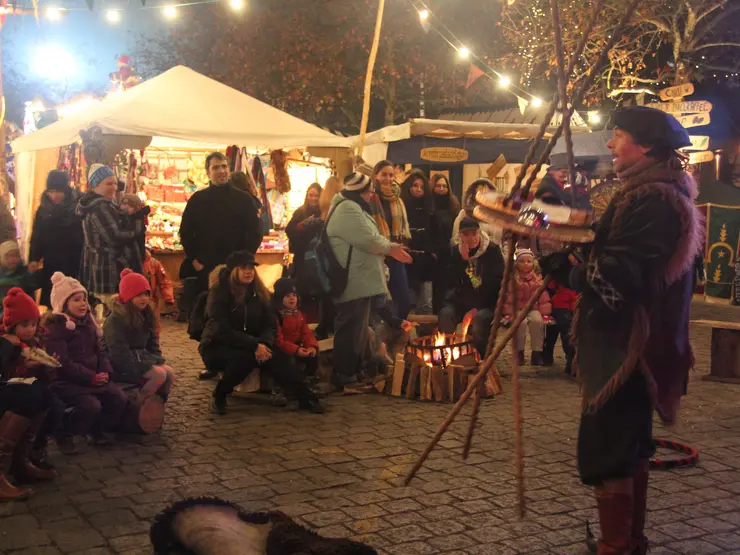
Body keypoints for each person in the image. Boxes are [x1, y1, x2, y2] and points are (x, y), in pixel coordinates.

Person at [543, 106, 701, 554]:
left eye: (618, 135)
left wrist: (563, 267)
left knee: (608, 450)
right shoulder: (651, 192)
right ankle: (628, 542)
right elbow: (609, 251)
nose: (610, 144)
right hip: (634, 347)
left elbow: (617, 279)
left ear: (646, 145)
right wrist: (549, 235)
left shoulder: (653, 200)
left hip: (628, 350)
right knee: (627, 447)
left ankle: (617, 547)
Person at [199, 251, 323, 415]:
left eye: (251, 267)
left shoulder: (259, 292)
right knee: (244, 359)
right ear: (233, 271)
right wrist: (254, 345)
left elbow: (270, 324)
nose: (249, 271)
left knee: (280, 357)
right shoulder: (220, 292)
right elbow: (221, 329)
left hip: (254, 343)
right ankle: (219, 396)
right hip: (219, 345)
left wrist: (264, 343)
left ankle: (305, 397)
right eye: (244, 268)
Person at [326, 172, 412, 390]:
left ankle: (354, 372)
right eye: (368, 191)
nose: (372, 195)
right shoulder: (347, 209)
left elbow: (371, 237)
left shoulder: (353, 207)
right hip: (352, 279)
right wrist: (391, 248)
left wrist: (390, 248)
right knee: (350, 329)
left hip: (359, 279)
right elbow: (368, 239)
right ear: (358, 192)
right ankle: (344, 375)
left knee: (358, 328)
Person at [43, 272, 128, 448]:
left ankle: (96, 428)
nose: (82, 303)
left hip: (92, 377)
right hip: (67, 381)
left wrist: (104, 370)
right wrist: (91, 377)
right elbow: (63, 364)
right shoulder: (57, 328)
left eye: (84, 299)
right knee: (91, 405)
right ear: (63, 303)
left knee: (118, 397)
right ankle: (65, 430)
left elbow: (100, 351)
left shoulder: (88, 324)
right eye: (76, 300)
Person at [179, 153, 262, 302]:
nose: (221, 171)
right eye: (216, 167)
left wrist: (245, 260)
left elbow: (255, 232)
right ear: (208, 172)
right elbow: (185, 232)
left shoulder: (243, 199)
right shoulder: (198, 200)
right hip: (206, 268)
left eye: (224, 166)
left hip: (236, 268)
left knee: (236, 308)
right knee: (207, 310)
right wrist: (194, 260)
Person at [0, 288, 59, 498]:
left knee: (44, 395)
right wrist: (8, 344)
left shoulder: (30, 344)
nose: (30, 329)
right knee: (30, 395)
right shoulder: (5, 340)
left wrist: (40, 365)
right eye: (24, 324)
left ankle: (20, 461)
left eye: (33, 324)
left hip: (11, 387)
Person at [77, 164, 146, 317]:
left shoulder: (102, 205)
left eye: (115, 183)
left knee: (110, 313)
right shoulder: (100, 207)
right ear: (95, 185)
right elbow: (115, 236)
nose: (114, 187)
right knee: (115, 314)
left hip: (105, 267)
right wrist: (136, 224)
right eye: (108, 183)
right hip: (110, 269)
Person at [104, 269, 174, 404]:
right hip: (121, 365)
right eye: (139, 295)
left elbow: (153, 343)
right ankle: (138, 406)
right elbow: (118, 352)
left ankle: (156, 406)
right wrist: (134, 372)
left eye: (146, 294)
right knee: (159, 375)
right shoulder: (116, 319)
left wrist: (157, 359)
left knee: (168, 373)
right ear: (129, 297)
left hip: (141, 359)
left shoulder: (146, 314)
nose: (144, 299)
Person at [439, 217, 505, 357]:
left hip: (486, 303)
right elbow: (450, 281)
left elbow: (496, 284)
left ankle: (479, 358)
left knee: (480, 320)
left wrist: (477, 308)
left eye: (474, 233)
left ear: (479, 232)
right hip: (461, 302)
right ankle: (447, 356)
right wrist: (462, 261)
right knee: (446, 314)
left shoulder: (492, 250)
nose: (471, 238)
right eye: (466, 234)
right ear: (460, 235)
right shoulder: (455, 251)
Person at [28, 170, 84, 308]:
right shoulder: (43, 210)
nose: (54, 195)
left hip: (73, 262)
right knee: (52, 302)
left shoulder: (77, 208)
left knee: (72, 300)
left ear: (65, 190)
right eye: (51, 191)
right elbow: (37, 236)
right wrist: (34, 258)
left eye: (58, 191)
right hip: (51, 263)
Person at [370, 160, 412, 319]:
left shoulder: (398, 199)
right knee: (381, 302)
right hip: (377, 255)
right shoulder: (369, 198)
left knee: (403, 300)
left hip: (396, 255)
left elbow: (403, 228)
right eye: (384, 175)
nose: (388, 178)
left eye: (391, 175)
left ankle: (396, 335)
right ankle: (381, 340)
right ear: (375, 176)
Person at [502, 249, 552, 366]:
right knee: (520, 323)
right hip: (518, 309)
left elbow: (543, 297)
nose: (526, 264)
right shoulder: (513, 279)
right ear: (517, 263)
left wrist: (544, 312)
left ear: (533, 264)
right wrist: (508, 312)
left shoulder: (537, 279)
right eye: (522, 261)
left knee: (537, 322)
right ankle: (519, 352)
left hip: (533, 308)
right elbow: (509, 297)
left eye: (529, 261)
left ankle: (537, 352)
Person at [272, 277, 320, 397]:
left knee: (313, 358)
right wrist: (296, 350)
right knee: (287, 362)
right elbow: (279, 340)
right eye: (287, 296)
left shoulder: (299, 314)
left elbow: (306, 333)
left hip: (296, 348)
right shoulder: (277, 316)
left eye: (294, 295)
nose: (292, 298)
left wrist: (311, 347)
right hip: (282, 349)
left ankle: (308, 383)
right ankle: (279, 389)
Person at [400, 171, 435, 314]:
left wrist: (433, 253)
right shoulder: (401, 206)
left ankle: (425, 335)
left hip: (426, 261)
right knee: (408, 302)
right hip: (406, 258)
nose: (418, 189)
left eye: (421, 186)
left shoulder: (430, 208)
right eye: (415, 185)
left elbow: (434, 233)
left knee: (426, 303)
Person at [430, 174, 460, 313]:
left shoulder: (453, 205)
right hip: (435, 253)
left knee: (448, 287)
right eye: (438, 185)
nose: (441, 189)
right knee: (435, 288)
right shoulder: (429, 204)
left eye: (444, 186)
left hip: (450, 251)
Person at [285, 183, 323, 282]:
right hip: (302, 255)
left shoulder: (324, 212)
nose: (313, 198)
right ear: (307, 196)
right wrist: (302, 225)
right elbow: (289, 229)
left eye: (317, 196)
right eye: (311, 195)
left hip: (319, 257)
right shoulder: (300, 212)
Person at [141, 249, 175, 338]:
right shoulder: (129, 261)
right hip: (133, 302)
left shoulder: (154, 263)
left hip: (151, 302)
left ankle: (153, 345)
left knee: (154, 328)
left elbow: (164, 281)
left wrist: (168, 297)